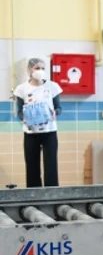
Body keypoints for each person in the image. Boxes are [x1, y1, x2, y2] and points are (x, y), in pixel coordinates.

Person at [14, 58, 63, 187]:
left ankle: (52, 193)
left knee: (51, 165)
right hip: (31, 133)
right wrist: (24, 117)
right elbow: (19, 111)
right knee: (31, 166)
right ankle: (33, 193)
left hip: (49, 131)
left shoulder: (52, 86)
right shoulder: (22, 89)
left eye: (42, 68)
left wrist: (55, 112)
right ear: (30, 70)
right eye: (37, 68)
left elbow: (59, 108)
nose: (40, 71)